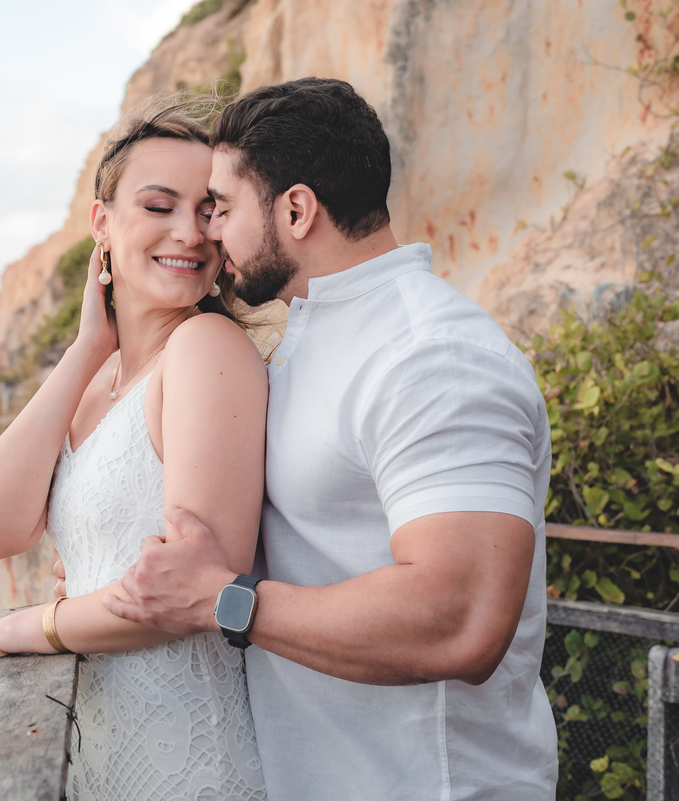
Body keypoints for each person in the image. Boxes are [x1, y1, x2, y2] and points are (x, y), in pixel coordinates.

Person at [102, 78, 559, 800]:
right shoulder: (313, 338)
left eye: (222, 206)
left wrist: (224, 599)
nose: (209, 230)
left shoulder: (432, 357)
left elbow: (462, 617)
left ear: (296, 209)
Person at [0, 100, 269, 800]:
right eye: (160, 205)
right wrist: (87, 345)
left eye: (208, 209)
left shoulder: (208, 349)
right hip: (101, 750)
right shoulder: (103, 374)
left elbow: (190, 594)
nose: (190, 231)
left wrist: (3, 631)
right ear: (102, 224)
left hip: (186, 757)